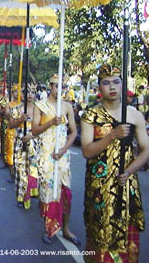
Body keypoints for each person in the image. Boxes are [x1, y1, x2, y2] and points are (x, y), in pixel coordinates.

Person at [81, 64, 149, 262]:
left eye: (116, 82)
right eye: (106, 83)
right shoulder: (90, 115)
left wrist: (129, 171)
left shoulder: (134, 115)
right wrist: (112, 135)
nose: (112, 87)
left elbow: (146, 150)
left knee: (128, 236)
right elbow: (86, 151)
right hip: (99, 186)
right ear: (99, 88)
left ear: (122, 85)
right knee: (99, 236)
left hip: (126, 183)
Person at [32, 74, 79, 245]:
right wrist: (51, 122)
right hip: (46, 156)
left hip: (62, 157)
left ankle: (65, 229)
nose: (61, 90)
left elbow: (73, 132)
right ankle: (49, 228)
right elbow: (35, 130)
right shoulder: (40, 106)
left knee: (66, 192)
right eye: (57, 86)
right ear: (50, 87)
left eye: (63, 86)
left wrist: (64, 150)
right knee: (48, 192)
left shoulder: (67, 106)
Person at [13, 84, 38, 209]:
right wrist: (20, 120)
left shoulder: (40, 110)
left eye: (33, 92)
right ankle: (21, 196)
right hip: (20, 141)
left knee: (33, 170)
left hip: (35, 143)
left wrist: (32, 136)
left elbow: (43, 128)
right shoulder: (17, 109)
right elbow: (11, 125)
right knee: (20, 169)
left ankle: (33, 192)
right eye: (27, 92)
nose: (30, 95)